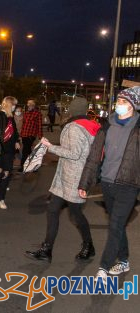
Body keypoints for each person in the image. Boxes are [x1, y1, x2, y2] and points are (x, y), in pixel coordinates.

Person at [25, 97, 100, 263]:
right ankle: (47, 249)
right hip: (69, 177)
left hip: (74, 179)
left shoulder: (74, 128)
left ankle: (89, 246)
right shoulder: (88, 126)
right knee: (53, 210)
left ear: (73, 110)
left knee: (76, 215)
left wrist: (49, 147)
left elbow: (74, 153)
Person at [78, 86, 140, 286]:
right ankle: (123, 260)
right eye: (119, 101)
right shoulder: (106, 125)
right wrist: (85, 183)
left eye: (123, 101)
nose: (118, 105)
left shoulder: (138, 128)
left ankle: (103, 268)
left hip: (129, 185)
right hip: (107, 184)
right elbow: (94, 157)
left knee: (114, 226)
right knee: (117, 225)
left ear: (133, 105)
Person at [19, 99, 43, 172]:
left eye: (29, 104)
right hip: (24, 135)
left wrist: (40, 137)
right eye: (27, 104)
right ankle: (34, 166)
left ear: (33, 105)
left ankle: (23, 166)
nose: (28, 105)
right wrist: (21, 134)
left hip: (31, 135)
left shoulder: (37, 114)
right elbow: (23, 125)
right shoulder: (25, 113)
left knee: (25, 151)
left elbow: (39, 126)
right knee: (28, 151)